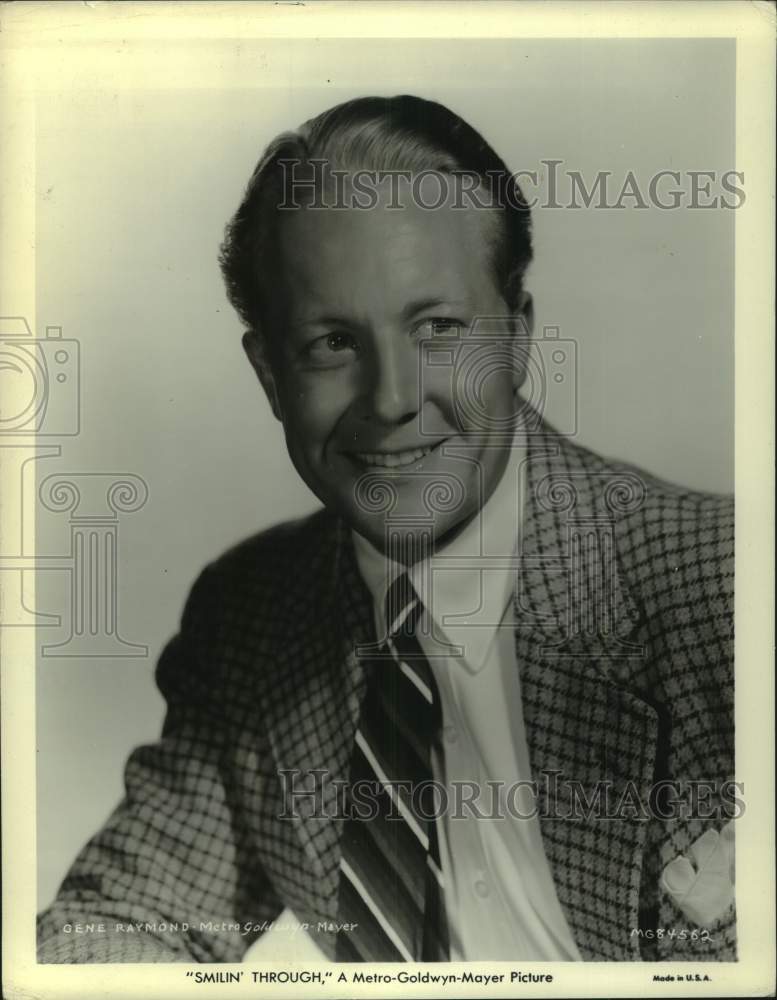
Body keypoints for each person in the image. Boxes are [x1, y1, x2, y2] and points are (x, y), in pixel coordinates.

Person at [37, 95, 736, 964]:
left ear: (518, 335)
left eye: (437, 328)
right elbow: (123, 922)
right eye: (332, 342)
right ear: (268, 375)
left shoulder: (728, 594)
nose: (392, 399)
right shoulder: (253, 617)